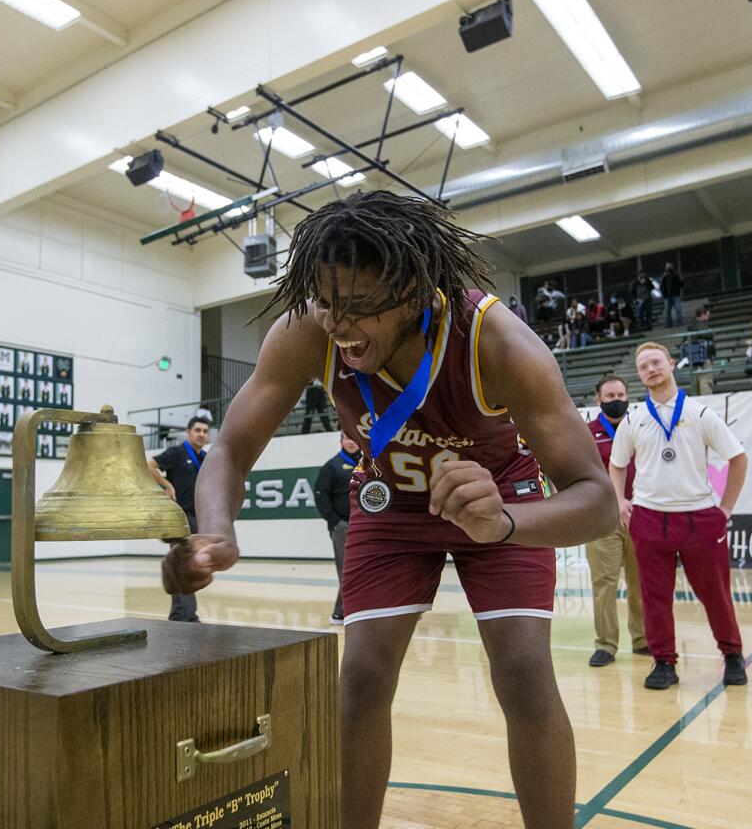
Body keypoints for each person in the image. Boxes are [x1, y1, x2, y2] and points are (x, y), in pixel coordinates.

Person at [161, 191, 617, 829]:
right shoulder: (308, 329)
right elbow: (233, 447)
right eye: (328, 303)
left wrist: (506, 522)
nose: (341, 326)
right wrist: (214, 531)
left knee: (523, 672)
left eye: (362, 308)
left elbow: (598, 500)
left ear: (415, 291)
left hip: (498, 496)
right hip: (388, 500)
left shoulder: (499, 343)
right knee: (362, 681)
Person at [608, 342, 749, 690]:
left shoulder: (701, 414)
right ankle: (663, 663)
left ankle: (732, 655)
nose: (651, 369)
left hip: (699, 519)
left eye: (656, 362)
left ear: (671, 364)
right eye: (644, 366)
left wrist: (725, 508)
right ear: (639, 375)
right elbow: (616, 464)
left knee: (715, 593)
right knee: (654, 598)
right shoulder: (634, 418)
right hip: (649, 520)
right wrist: (620, 500)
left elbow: (739, 458)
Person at [586, 376, 648, 667]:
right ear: (598, 400)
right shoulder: (587, 433)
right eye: (610, 395)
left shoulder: (641, 428)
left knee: (642, 583)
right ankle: (606, 645)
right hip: (603, 521)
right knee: (604, 584)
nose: (616, 399)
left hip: (640, 518)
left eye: (621, 394)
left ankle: (643, 639)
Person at [147, 416, 211, 622]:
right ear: (188, 432)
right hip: (180, 518)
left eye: (205, 431)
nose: (201, 434)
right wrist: (167, 485)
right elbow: (149, 465)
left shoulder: (206, 458)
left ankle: (181, 617)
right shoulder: (177, 453)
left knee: (191, 567)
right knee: (184, 565)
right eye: (198, 430)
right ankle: (186, 618)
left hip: (197, 518)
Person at [314, 434, 361, 625]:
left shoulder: (368, 464)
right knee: (346, 570)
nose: (350, 442)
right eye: (346, 438)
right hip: (343, 527)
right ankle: (340, 613)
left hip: (365, 526)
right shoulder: (332, 466)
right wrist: (335, 522)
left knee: (364, 570)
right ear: (341, 442)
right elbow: (320, 495)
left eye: (353, 438)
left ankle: (357, 610)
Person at [684, 306, 716, 395]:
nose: (708, 317)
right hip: (704, 358)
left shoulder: (690, 326)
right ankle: (707, 403)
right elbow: (710, 337)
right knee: (705, 381)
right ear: (702, 315)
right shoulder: (703, 327)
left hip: (693, 359)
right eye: (707, 315)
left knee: (695, 383)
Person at [661, 263, 684, 328]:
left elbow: (681, 283)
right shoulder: (664, 275)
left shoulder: (676, 274)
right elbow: (662, 286)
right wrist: (664, 295)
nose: (669, 267)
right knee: (668, 311)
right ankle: (669, 324)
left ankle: (679, 323)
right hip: (668, 296)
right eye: (668, 266)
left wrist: (681, 279)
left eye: (670, 266)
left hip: (675, 295)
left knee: (677, 309)